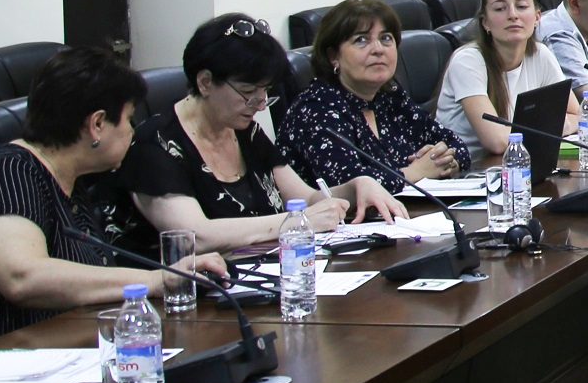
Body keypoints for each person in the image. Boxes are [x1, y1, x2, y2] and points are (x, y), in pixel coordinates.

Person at [0, 49, 227, 366]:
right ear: (97, 124)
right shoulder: (5, 173)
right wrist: (154, 280)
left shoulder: (71, 181)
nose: (132, 132)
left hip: (33, 356)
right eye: (127, 120)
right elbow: (23, 277)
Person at [121, 14, 405, 252]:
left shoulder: (243, 130)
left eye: (266, 92)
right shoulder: (154, 146)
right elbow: (194, 236)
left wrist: (356, 187)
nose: (259, 105)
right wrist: (295, 223)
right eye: (248, 92)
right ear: (205, 82)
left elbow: (305, 199)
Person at [278, 0, 468, 188]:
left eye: (386, 38)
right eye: (361, 40)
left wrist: (444, 162)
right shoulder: (315, 109)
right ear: (333, 57)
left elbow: (457, 144)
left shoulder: (390, 98)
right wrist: (415, 172)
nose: (378, 49)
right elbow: (349, 184)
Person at [438, 0, 581, 156]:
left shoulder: (541, 54)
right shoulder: (467, 61)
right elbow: (496, 141)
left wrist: (556, 126)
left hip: (520, 159)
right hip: (472, 167)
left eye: (521, 6)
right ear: (485, 22)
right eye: (500, 9)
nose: (513, 15)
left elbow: (577, 115)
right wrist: (553, 127)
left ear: (537, 17)